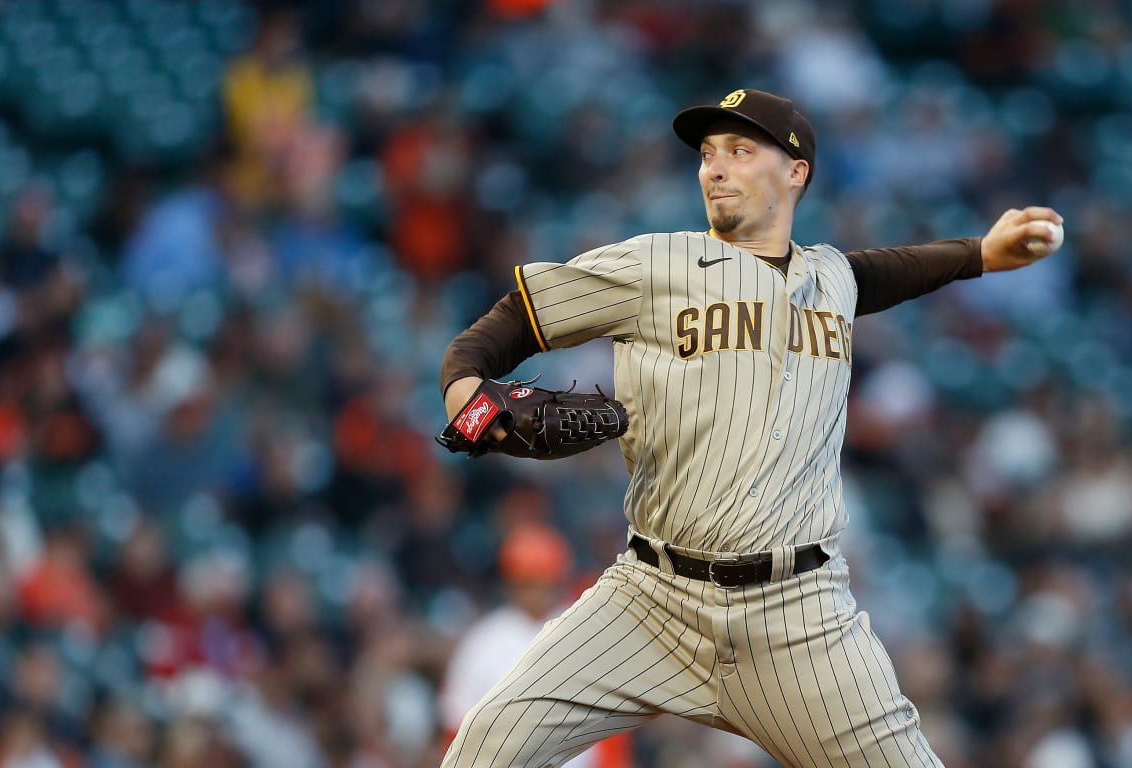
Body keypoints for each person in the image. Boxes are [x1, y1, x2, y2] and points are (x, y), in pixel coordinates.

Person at [437, 88, 1063, 767]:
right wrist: (470, 405)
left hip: (798, 620)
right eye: (708, 155)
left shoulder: (833, 279)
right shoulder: (656, 265)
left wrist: (981, 254)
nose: (714, 168)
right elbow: (496, 333)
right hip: (650, 602)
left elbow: (886, 273)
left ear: (795, 173)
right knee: (482, 751)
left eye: (740, 151)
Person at [437, 522, 629, 768]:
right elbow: (455, 728)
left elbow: (611, 728)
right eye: (529, 581)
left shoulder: (584, 629)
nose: (539, 591)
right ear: (512, 582)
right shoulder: (482, 641)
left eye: (545, 581)